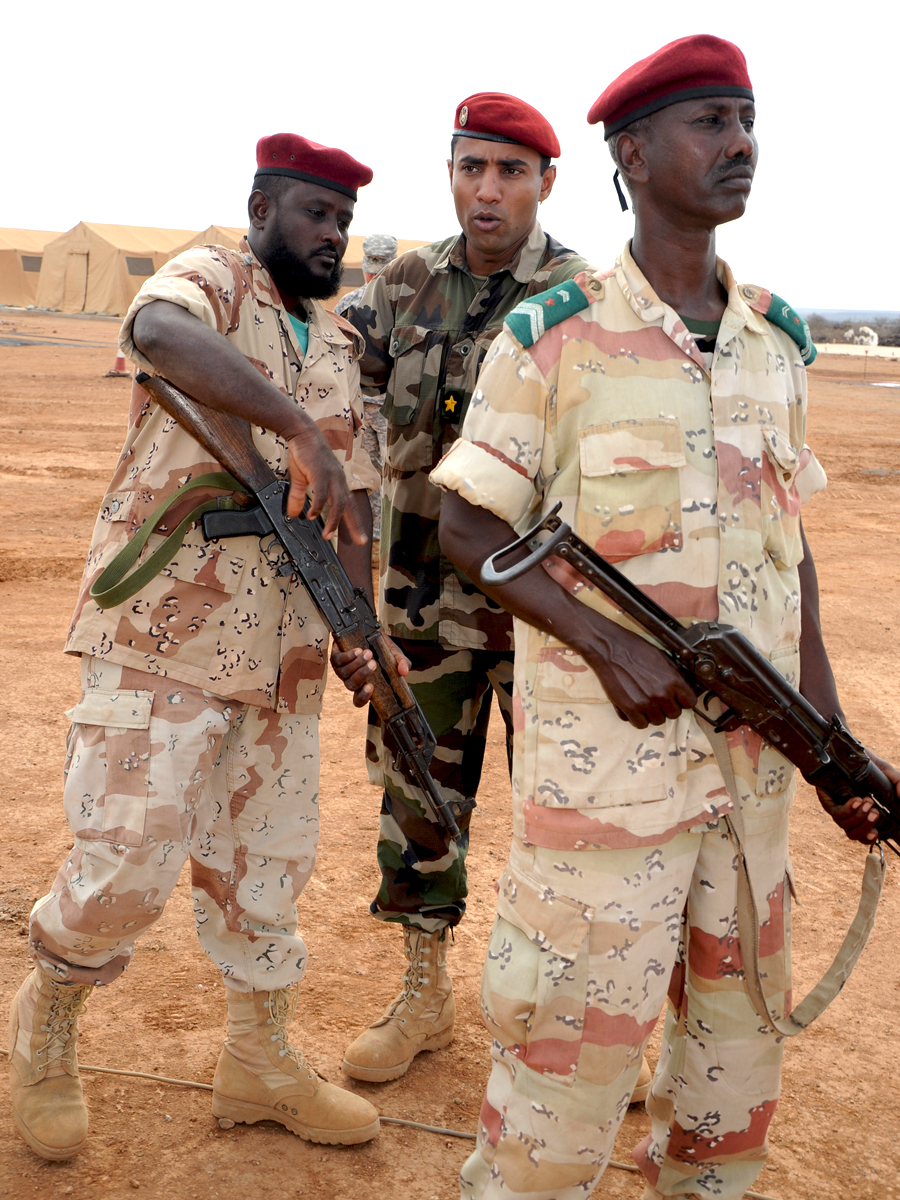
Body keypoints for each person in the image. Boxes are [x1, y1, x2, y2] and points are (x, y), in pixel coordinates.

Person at [431, 36, 900, 1200]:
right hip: (605, 798)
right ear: (632, 155)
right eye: (712, 124)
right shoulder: (556, 335)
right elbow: (468, 527)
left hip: (750, 796)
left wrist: (829, 741)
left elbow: (789, 562)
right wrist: (609, 645)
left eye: (748, 121)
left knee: (728, 1102)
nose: (741, 144)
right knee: (557, 1102)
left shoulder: (777, 342)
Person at [8, 133, 385, 1161]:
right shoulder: (212, 279)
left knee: (269, 868)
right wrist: (291, 429)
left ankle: (258, 1063)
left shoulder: (342, 348)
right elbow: (156, 330)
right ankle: (47, 1025)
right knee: (125, 857)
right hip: (166, 632)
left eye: (344, 222)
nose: (331, 235)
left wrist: (362, 634)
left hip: (286, 655)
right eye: (314, 213)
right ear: (263, 204)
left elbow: (351, 511)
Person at [332, 91, 602, 1088]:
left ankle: (561, 1016)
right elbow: (336, 405)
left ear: (545, 182)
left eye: (509, 171)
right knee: (418, 803)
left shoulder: (583, 300)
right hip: (417, 616)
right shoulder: (402, 286)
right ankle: (423, 995)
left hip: (547, 621)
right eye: (471, 167)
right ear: (452, 172)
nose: (486, 191)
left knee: (568, 817)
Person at [335, 233, 400, 543]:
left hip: (379, 404)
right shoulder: (350, 305)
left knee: (383, 473)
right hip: (373, 404)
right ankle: (380, 541)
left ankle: (383, 538)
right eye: (371, 266)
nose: (372, 273)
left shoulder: (403, 304)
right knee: (378, 476)